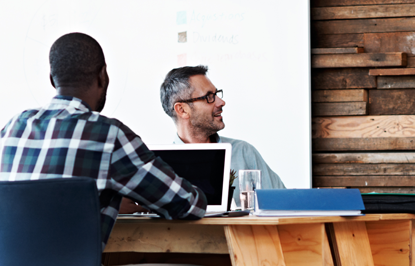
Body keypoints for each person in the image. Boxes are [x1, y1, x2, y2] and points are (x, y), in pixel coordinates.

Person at [0, 33, 207, 250]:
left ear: (52, 79)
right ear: (103, 76)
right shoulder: (108, 134)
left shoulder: (11, 128)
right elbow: (189, 205)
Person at [159, 65, 286, 204]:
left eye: (217, 94)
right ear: (182, 110)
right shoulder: (159, 167)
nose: (221, 102)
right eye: (209, 97)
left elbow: (283, 204)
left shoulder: (243, 152)